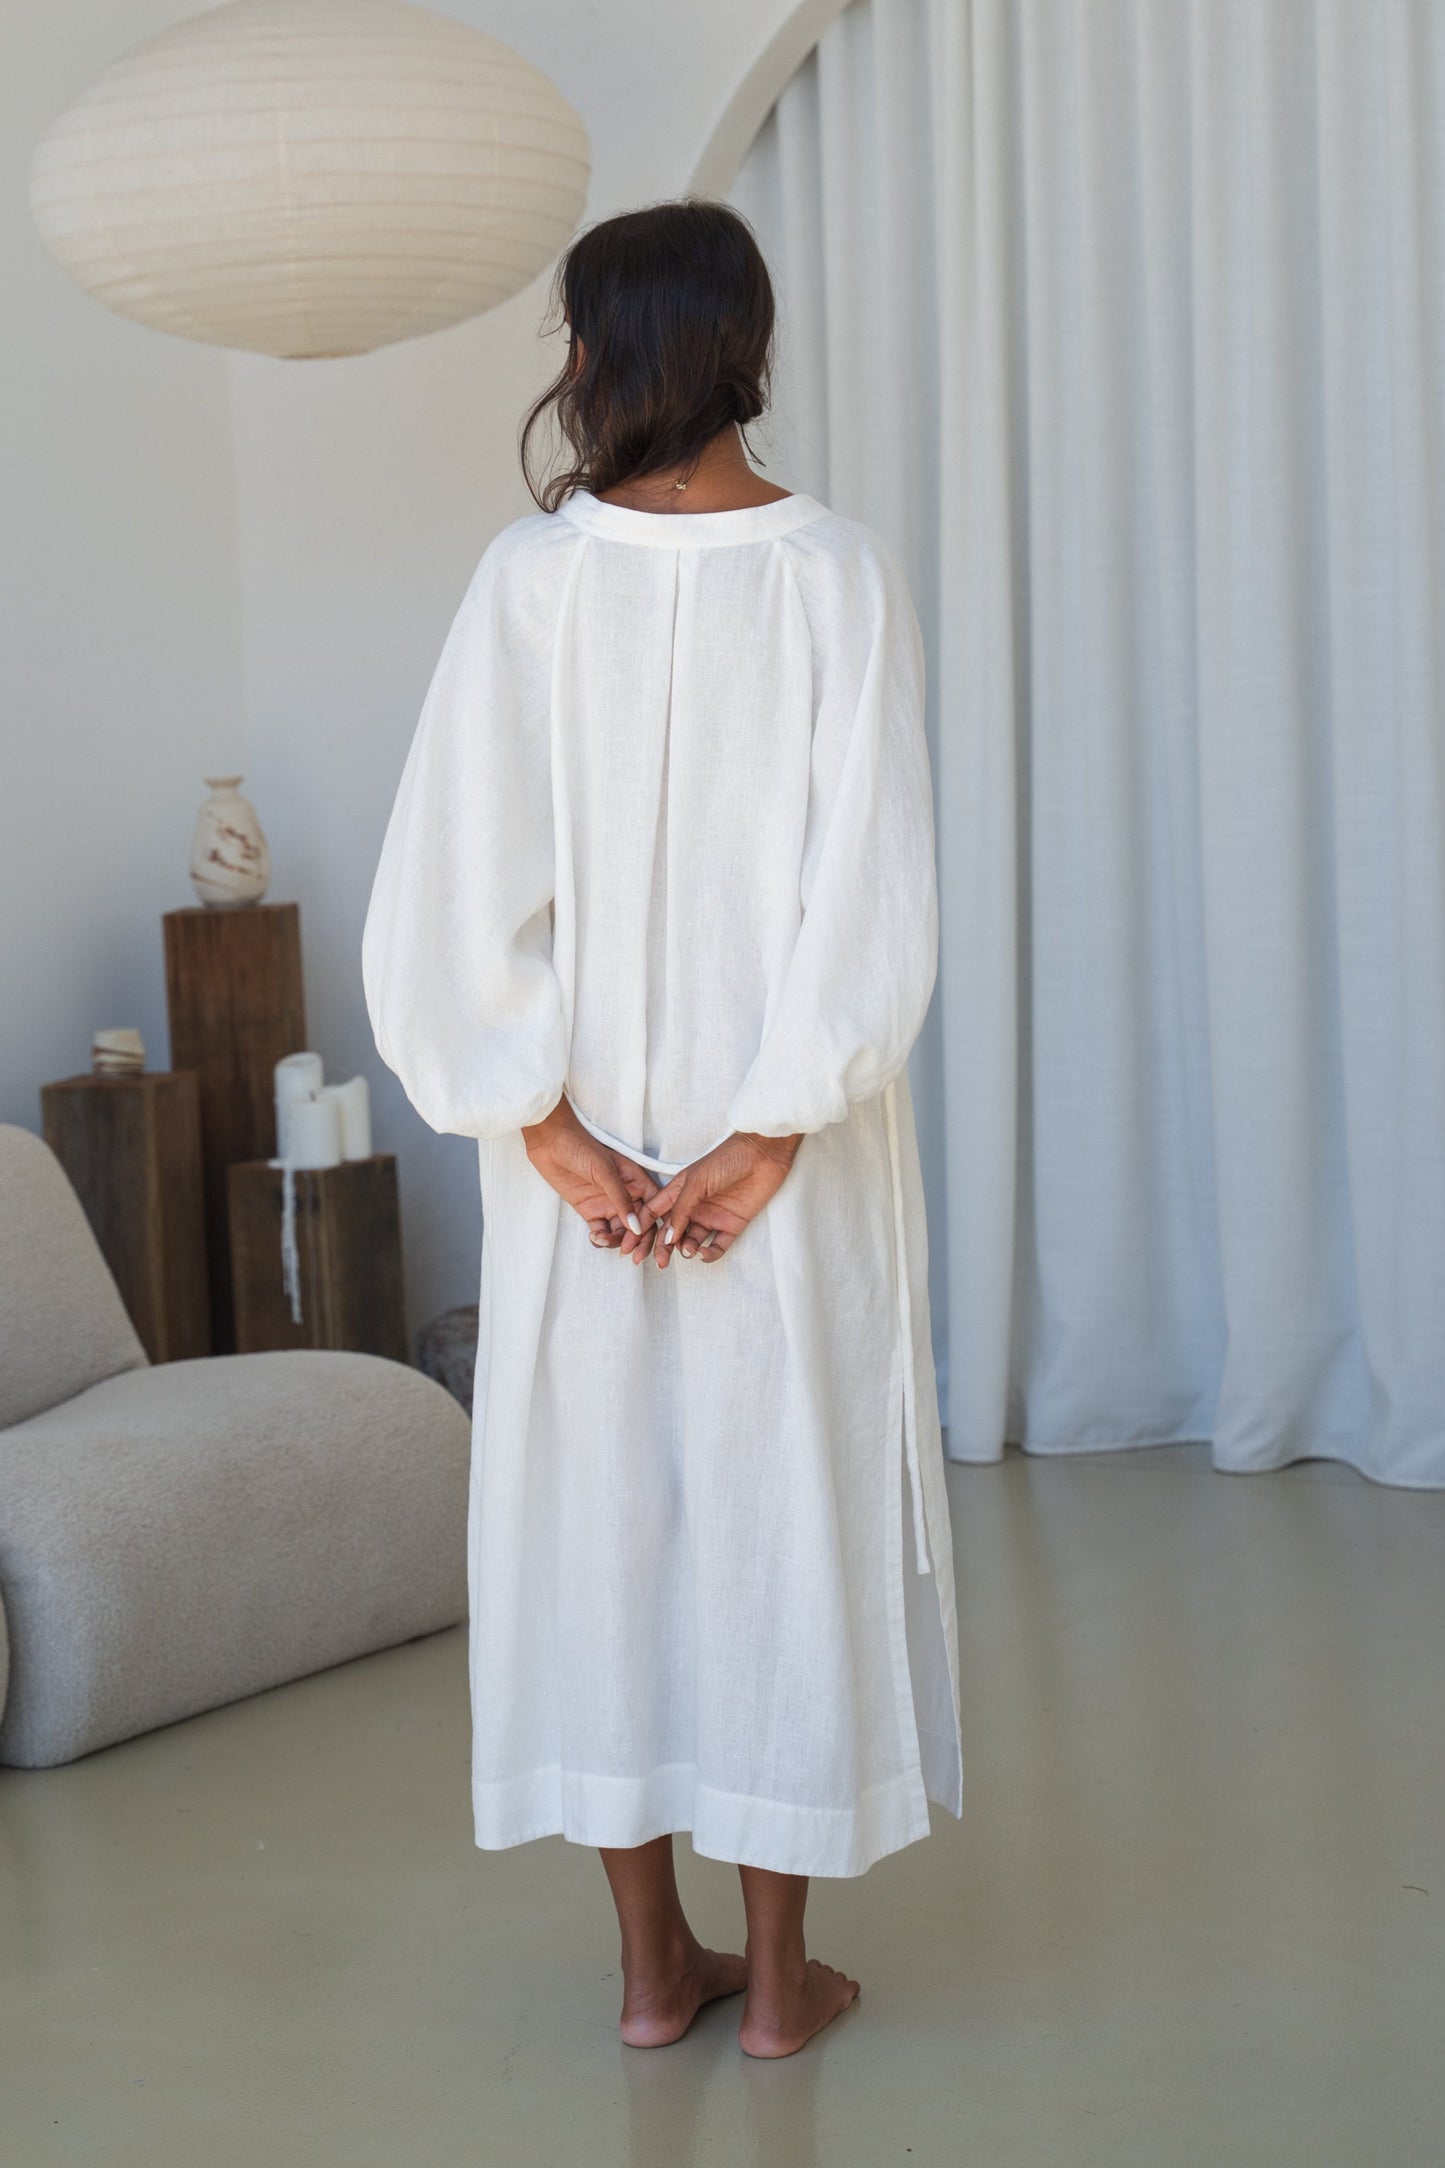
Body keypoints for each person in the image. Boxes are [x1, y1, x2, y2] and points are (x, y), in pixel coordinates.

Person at [361, 198, 962, 2060]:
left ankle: (649, 1975)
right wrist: (773, 1131)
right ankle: (781, 1984)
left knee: (595, 1524)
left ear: (613, 353)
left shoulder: (529, 584)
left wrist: (534, 1127)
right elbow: (870, 888)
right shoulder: (839, 572)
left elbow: (449, 888)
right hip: (789, 1161)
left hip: (585, 1176)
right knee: (783, 1518)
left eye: (570, 335)